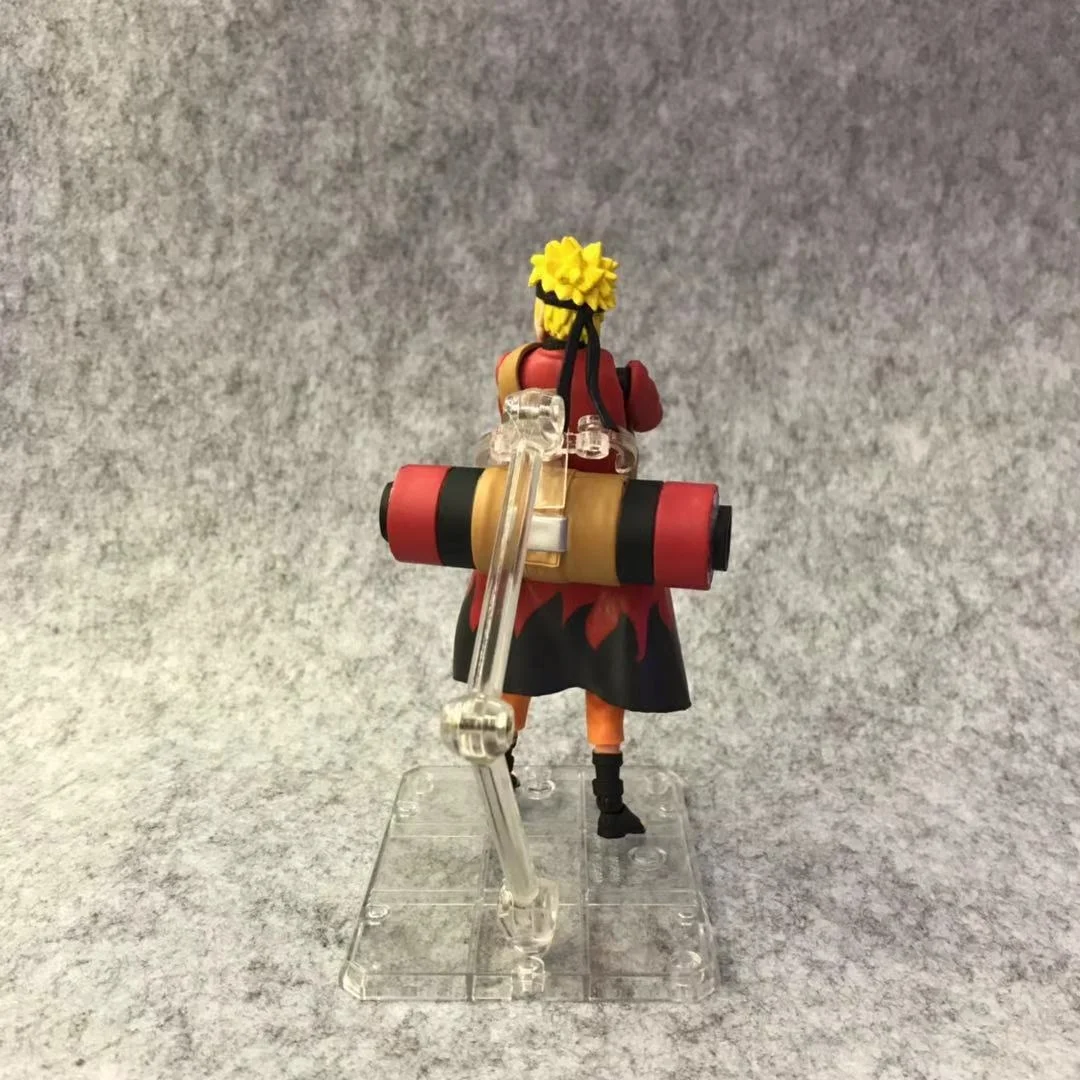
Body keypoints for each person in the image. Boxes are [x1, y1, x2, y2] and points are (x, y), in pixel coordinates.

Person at [452, 237, 691, 839]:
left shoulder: (511, 369)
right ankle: (609, 802)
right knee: (606, 676)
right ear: (597, 314)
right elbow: (649, 417)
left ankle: (503, 776)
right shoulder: (623, 380)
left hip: (526, 543)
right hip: (601, 547)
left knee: (515, 670)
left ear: (543, 310)